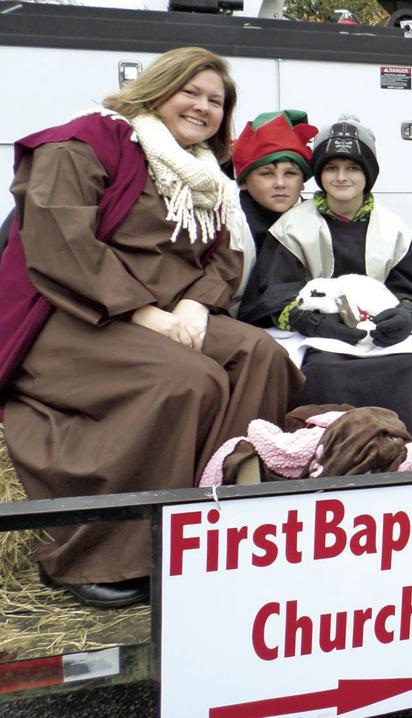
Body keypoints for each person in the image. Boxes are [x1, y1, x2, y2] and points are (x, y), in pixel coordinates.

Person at [0, 47, 303, 608]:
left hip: (169, 314)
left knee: (261, 354)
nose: (203, 107)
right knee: (187, 381)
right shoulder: (90, 140)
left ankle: (219, 521)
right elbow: (60, 239)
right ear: (158, 88)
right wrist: (143, 313)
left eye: (216, 101)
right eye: (191, 92)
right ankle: (106, 553)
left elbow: (224, 257)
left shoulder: (206, 178)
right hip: (74, 314)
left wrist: (197, 306)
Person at [238, 114, 412, 460]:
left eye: (353, 168)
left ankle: (411, 462)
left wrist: (406, 314)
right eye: (332, 168)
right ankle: (326, 463)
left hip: (382, 341)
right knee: (321, 372)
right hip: (317, 342)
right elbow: (270, 295)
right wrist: (310, 321)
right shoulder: (293, 228)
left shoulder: (393, 230)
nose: (342, 177)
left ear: (368, 174)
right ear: (320, 174)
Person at [227, 109, 318, 315]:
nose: (280, 183)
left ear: (302, 182)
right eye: (267, 173)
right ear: (243, 182)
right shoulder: (225, 220)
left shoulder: (317, 220)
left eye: (290, 173)